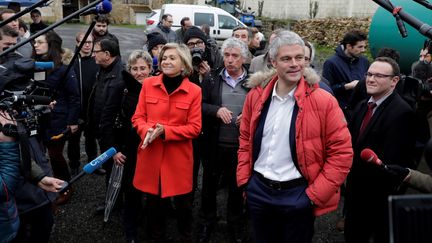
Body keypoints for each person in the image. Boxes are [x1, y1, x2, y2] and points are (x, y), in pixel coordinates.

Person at [237, 30, 353, 243]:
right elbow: (245, 139)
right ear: (273, 62)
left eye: (299, 58)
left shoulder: (323, 101)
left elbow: (342, 154)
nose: (295, 64)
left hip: (298, 194)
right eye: (286, 58)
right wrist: (246, 182)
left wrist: (312, 196)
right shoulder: (256, 96)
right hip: (259, 191)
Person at [131, 43, 201, 243]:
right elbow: (138, 118)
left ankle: (186, 237)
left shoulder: (194, 91)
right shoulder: (148, 84)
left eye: (172, 58)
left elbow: (195, 128)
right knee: (154, 206)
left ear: (184, 63)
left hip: (178, 160)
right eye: (164, 58)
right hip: (151, 156)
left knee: (183, 207)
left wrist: (166, 132)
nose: (167, 61)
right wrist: (148, 131)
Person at [345, 57, 416, 243]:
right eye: (369, 74)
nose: (370, 79)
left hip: (377, 199)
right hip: (355, 194)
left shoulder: (402, 113)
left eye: (379, 75)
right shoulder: (363, 105)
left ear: (394, 81)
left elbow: (393, 163)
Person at [199, 37, 250, 243]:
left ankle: (234, 224)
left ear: (244, 58)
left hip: (241, 147)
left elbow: (261, 109)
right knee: (209, 187)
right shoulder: (212, 78)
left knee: (237, 188)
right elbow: (199, 105)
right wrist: (216, 109)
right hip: (214, 144)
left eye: (235, 56)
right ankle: (207, 222)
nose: (230, 60)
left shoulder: (254, 82)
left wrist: (247, 115)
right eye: (227, 55)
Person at [33, 31, 80, 205]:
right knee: (42, 155)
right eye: (34, 42)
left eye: (39, 41)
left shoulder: (63, 68)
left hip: (58, 120)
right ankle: (47, 184)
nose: (35, 44)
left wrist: (72, 121)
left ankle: (66, 187)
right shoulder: (35, 66)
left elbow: (74, 96)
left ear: (50, 45)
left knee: (55, 155)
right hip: (40, 118)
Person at [113, 50, 152, 243]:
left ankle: (150, 226)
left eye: (143, 68)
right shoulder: (122, 88)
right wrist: (114, 149)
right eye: (134, 69)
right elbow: (107, 120)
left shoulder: (157, 88)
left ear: (150, 69)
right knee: (132, 191)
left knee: (153, 192)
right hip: (129, 149)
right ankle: (131, 231)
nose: (139, 73)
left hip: (152, 149)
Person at [87, 37, 125, 211]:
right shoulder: (103, 69)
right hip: (103, 132)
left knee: (115, 170)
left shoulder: (120, 76)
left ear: (107, 54)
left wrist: (112, 145)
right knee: (110, 170)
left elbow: (113, 113)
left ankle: (116, 203)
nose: (93, 54)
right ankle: (113, 200)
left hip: (113, 135)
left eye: (96, 51)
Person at [67, 31, 99, 176]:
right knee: (73, 139)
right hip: (76, 108)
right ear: (77, 43)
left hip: (91, 108)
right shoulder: (72, 62)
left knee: (91, 138)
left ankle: (94, 163)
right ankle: (74, 164)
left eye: (89, 43)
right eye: (83, 42)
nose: (87, 45)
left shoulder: (96, 61)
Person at [322, 30, 369, 113]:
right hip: (340, 111)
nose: (363, 50)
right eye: (360, 47)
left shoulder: (364, 61)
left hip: (361, 109)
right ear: (349, 46)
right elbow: (326, 90)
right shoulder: (331, 63)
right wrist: (346, 86)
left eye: (364, 47)